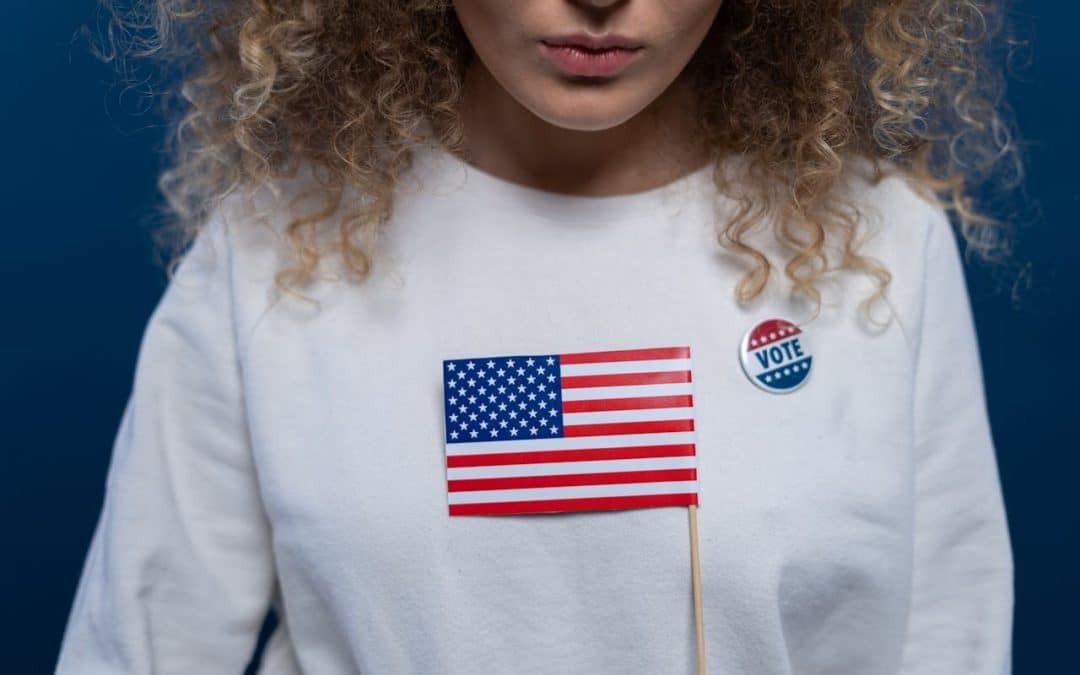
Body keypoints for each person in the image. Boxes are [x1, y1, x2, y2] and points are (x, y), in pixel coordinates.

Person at [57, 0, 1018, 673]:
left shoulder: (882, 241)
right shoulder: (271, 249)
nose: (601, 0)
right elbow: (139, 649)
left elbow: (946, 642)